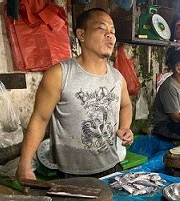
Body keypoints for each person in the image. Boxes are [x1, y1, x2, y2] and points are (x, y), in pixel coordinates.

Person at [16, 8, 133, 180]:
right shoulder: (59, 75)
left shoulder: (117, 77)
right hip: (72, 174)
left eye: (112, 31)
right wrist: (25, 166)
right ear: (81, 34)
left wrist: (124, 127)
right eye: (101, 29)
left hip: (112, 167)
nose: (110, 35)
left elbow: (126, 105)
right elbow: (40, 119)